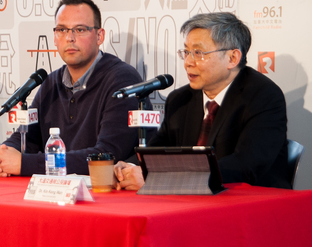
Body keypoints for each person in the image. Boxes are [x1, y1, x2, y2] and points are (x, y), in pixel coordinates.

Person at [115, 12, 290, 190]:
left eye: (198, 53)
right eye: (186, 52)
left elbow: (244, 166)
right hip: (190, 202)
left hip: (249, 203)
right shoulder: (180, 100)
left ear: (232, 58)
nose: (188, 62)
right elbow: (157, 149)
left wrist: (159, 179)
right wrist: (128, 167)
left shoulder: (263, 97)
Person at [0, 0, 146, 177]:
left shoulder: (122, 80)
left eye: (80, 29)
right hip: (54, 193)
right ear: (54, 37)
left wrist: (24, 164)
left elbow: (106, 155)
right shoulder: (51, 83)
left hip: (103, 195)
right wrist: (1, 158)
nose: (70, 38)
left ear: (99, 36)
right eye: (62, 30)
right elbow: (28, 138)